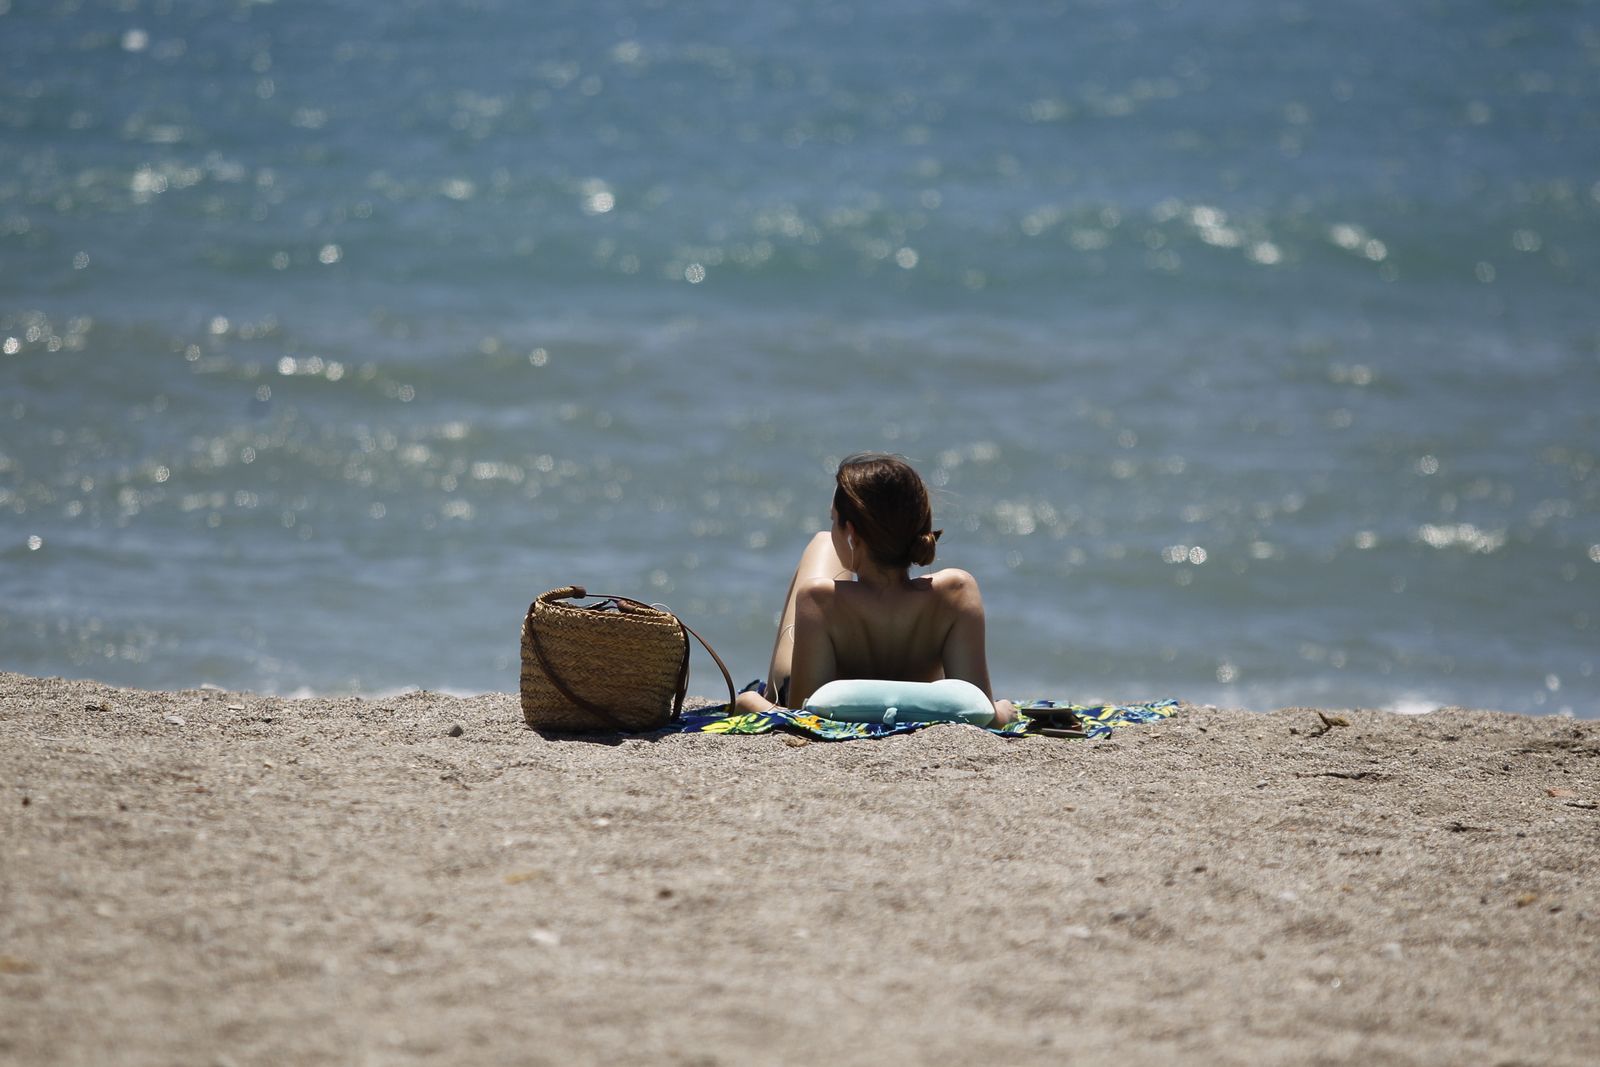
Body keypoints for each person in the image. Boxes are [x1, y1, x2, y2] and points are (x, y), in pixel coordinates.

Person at [735, 453, 1017, 726]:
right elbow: (979, 709)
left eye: (834, 520)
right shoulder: (957, 591)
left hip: (818, 695)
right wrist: (1003, 711)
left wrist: (749, 702)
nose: (833, 529)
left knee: (822, 542)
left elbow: (802, 717)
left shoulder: (819, 599)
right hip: (917, 703)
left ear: (852, 534)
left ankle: (768, 692)